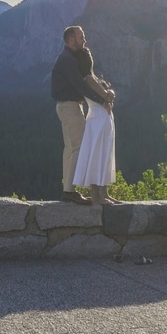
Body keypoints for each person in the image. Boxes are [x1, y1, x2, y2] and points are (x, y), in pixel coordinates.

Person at [50, 25, 108, 205]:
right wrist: (101, 100)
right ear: (70, 40)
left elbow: (84, 79)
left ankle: (69, 189)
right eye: (81, 37)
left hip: (68, 107)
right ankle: (70, 191)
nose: (84, 40)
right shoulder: (67, 59)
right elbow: (79, 85)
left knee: (71, 149)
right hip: (70, 107)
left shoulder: (69, 58)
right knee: (78, 147)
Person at [72, 46, 120, 205]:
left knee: (104, 154)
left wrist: (109, 95)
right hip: (98, 118)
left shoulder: (89, 78)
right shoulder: (89, 79)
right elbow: (106, 95)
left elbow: (107, 96)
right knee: (98, 154)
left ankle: (104, 193)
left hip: (100, 118)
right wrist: (110, 94)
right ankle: (98, 195)